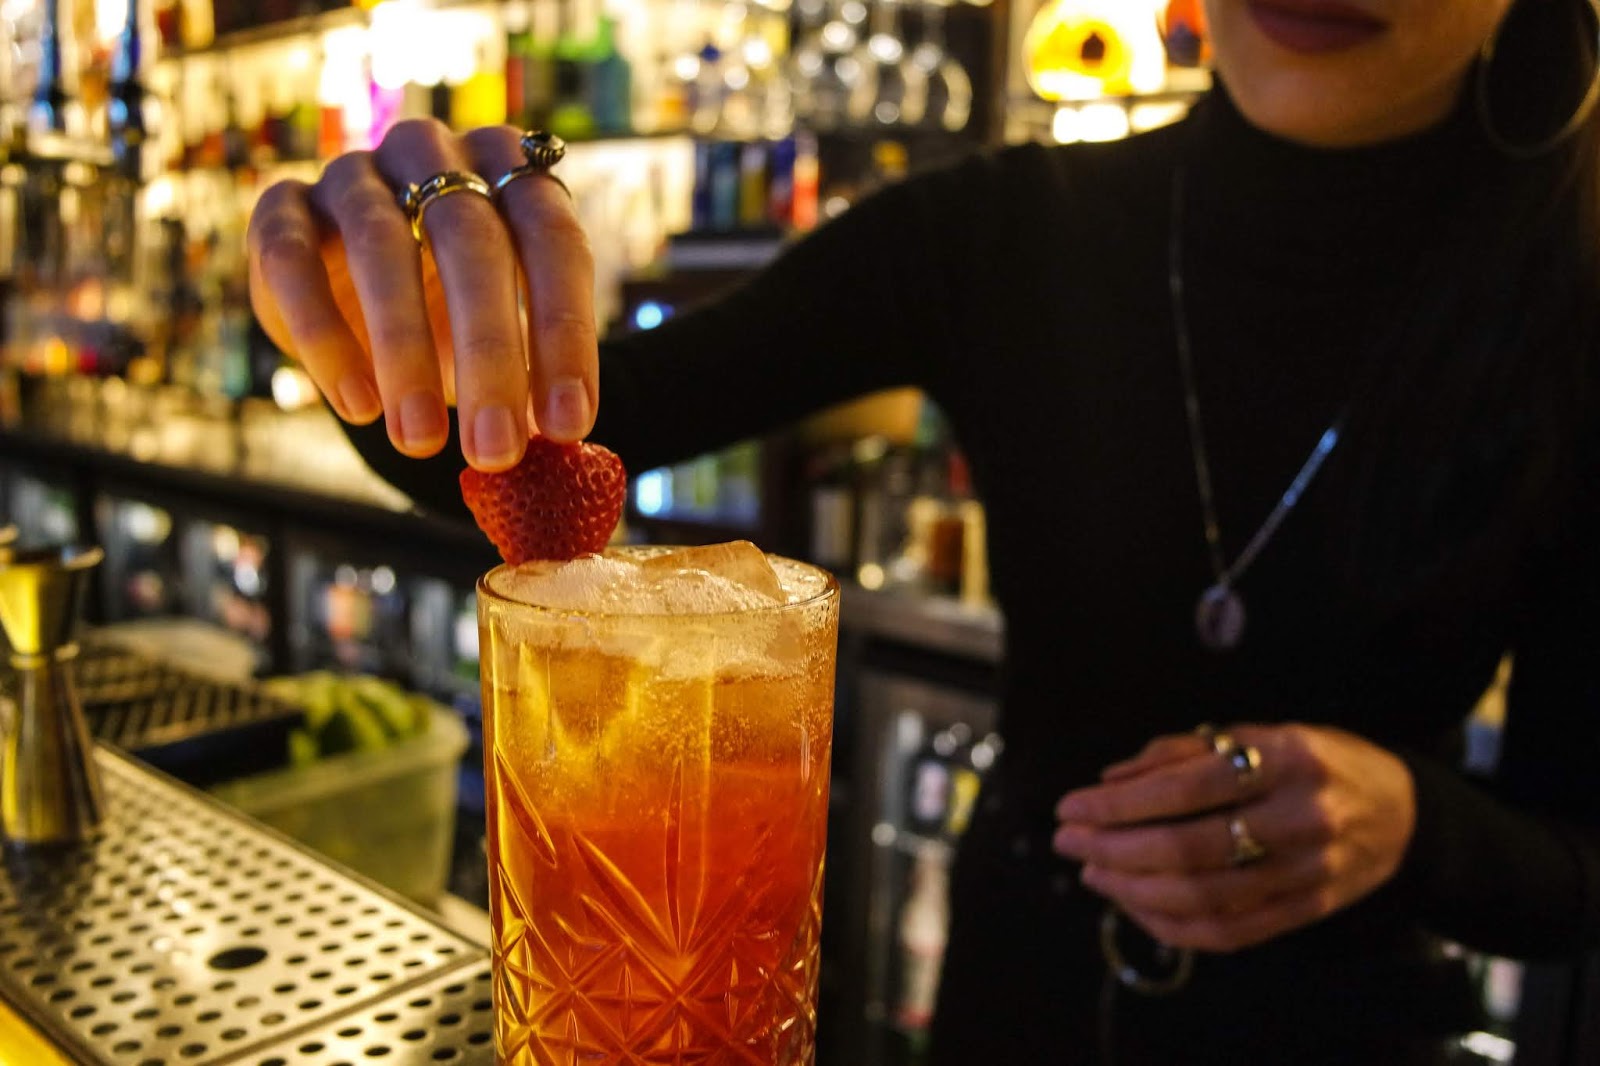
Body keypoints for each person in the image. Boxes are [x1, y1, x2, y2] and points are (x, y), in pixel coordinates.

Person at [246, 0, 1600, 1061]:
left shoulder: (1571, 289)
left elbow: (1576, 858)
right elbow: (565, 435)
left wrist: (1413, 821)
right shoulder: (1013, 228)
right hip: (1015, 1005)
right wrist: (389, 301)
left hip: (1347, 1031)